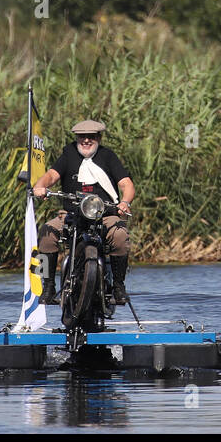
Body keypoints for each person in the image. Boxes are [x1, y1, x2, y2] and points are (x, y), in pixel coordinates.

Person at [31, 119, 136, 305]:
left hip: (105, 214)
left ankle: (119, 286)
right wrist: (40, 186)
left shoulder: (108, 156)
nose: (86, 140)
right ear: (77, 138)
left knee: (120, 235)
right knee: (46, 233)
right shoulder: (68, 153)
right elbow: (51, 175)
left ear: (99, 138)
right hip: (71, 214)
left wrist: (125, 202)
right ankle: (47, 286)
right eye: (82, 137)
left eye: (91, 137)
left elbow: (126, 183)